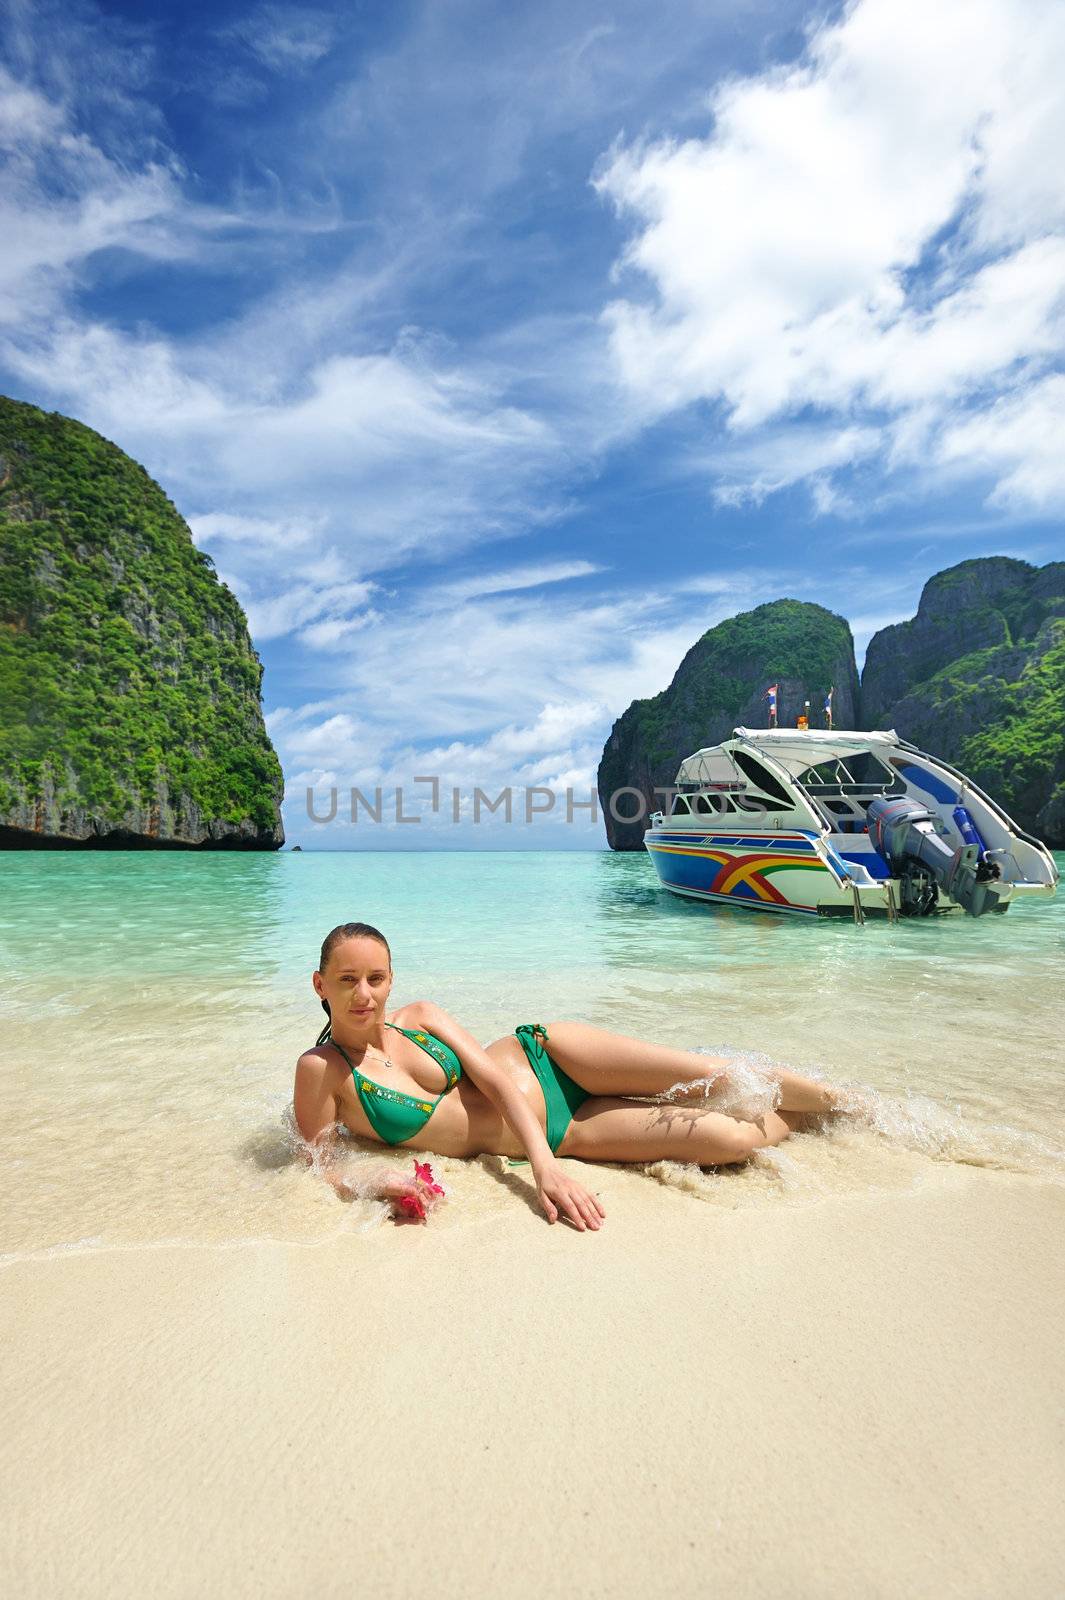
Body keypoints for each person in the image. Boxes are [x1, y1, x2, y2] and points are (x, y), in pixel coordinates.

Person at [293, 921, 851, 1232]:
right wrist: (380, 1182)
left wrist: (544, 1172)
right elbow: (321, 1161)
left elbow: (494, 1080)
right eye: (347, 980)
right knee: (731, 1140)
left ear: (391, 979)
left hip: (549, 1057)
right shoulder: (322, 1072)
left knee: (716, 1077)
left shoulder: (421, 1016)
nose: (363, 994)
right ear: (320, 985)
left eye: (376, 977)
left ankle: (852, 1104)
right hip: (570, 1129)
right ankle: (806, 1118)